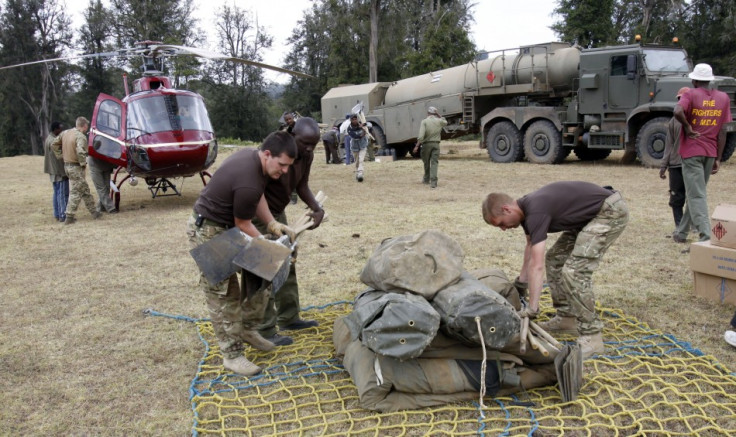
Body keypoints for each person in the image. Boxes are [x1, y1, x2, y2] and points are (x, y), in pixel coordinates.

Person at [186, 131, 298, 376]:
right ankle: (232, 356)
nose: (285, 171)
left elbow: (256, 197)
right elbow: (243, 223)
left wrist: (271, 224)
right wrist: (273, 246)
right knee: (225, 294)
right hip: (208, 231)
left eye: (289, 166)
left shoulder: (255, 163)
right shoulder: (249, 176)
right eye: (282, 165)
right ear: (268, 154)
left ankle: (247, 328)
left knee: (264, 270)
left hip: (225, 227)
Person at [482, 181, 629, 359]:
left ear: (507, 209)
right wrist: (521, 283)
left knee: (575, 271)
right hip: (589, 216)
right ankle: (567, 318)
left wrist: (532, 309)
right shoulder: (526, 212)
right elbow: (530, 248)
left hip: (609, 211)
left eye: (501, 224)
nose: (504, 229)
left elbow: (537, 265)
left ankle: (592, 337)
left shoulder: (536, 211)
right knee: (555, 260)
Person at [254, 117, 325, 345]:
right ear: (293, 136)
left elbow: (301, 184)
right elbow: (254, 189)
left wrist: (316, 207)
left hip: (278, 212)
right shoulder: (274, 151)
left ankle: (289, 316)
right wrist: (268, 222)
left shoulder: (306, 155)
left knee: (287, 262)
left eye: (313, 144)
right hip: (258, 211)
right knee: (264, 267)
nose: (308, 149)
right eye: (305, 143)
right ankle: (264, 329)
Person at [672, 63, 732, 243]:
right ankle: (681, 233)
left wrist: (688, 127)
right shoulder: (723, 98)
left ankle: (706, 235)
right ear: (710, 80)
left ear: (695, 80)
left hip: (691, 151)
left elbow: (677, 111)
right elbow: (723, 131)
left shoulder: (690, 94)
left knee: (696, 194)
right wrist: (719, 158)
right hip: (711, 152)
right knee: (696, 192)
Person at [52, 117, 101, 225]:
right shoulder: (80, 137)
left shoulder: (65, 133)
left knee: (83, 189)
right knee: (76, 191)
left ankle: (94, 212)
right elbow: (80, 151)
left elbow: (54, 144)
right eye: (86, 126)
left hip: (67, 166)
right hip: (75, 167)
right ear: (84, 126)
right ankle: (69, 216)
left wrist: (60, 155)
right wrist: (83, 164)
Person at [659, 87, 690, 233]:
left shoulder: (696, 118)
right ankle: (679, 225)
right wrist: (663, 166)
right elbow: (668, 145)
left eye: (682, 99)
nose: (681, 102)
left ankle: (693, 225)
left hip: (691, 163)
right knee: (676, 197)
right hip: (676, 164)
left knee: (692, 196)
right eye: (679, 99)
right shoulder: (673, 121)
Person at [413, 106, 447, 189]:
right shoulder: (439, 121)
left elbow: (421, 136)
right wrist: (439, 115)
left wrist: (417, 146)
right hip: (436, 145)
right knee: (434, 163)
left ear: (427, 113)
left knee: (426, 162)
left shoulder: (424, 122)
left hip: (426, 145)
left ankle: (426, 179)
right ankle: (434, 183)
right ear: (435, 113)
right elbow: (445, 122)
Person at [43, 121, 67, 222]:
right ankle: (63, 215)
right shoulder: (54, 141)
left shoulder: (49, 139)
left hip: (53, 172)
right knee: (62, 194)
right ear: (55, 129)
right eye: (60, 128)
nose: (61, 130)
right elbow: (59, 158)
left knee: (56, 193)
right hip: (58, 172)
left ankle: (57, 214)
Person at [347, 114, 368, 182]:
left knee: (361, 159)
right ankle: (358, 172)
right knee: (357, 161)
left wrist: (364, 126)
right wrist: (361, 129)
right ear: (350, 120)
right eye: (353, 119)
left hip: (363, 145)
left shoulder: (361, 124)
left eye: (355, 119)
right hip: (354, 147)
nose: (355, 120)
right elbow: (355, 136)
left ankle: (360, 173)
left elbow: (368, 125)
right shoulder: (349, 128)